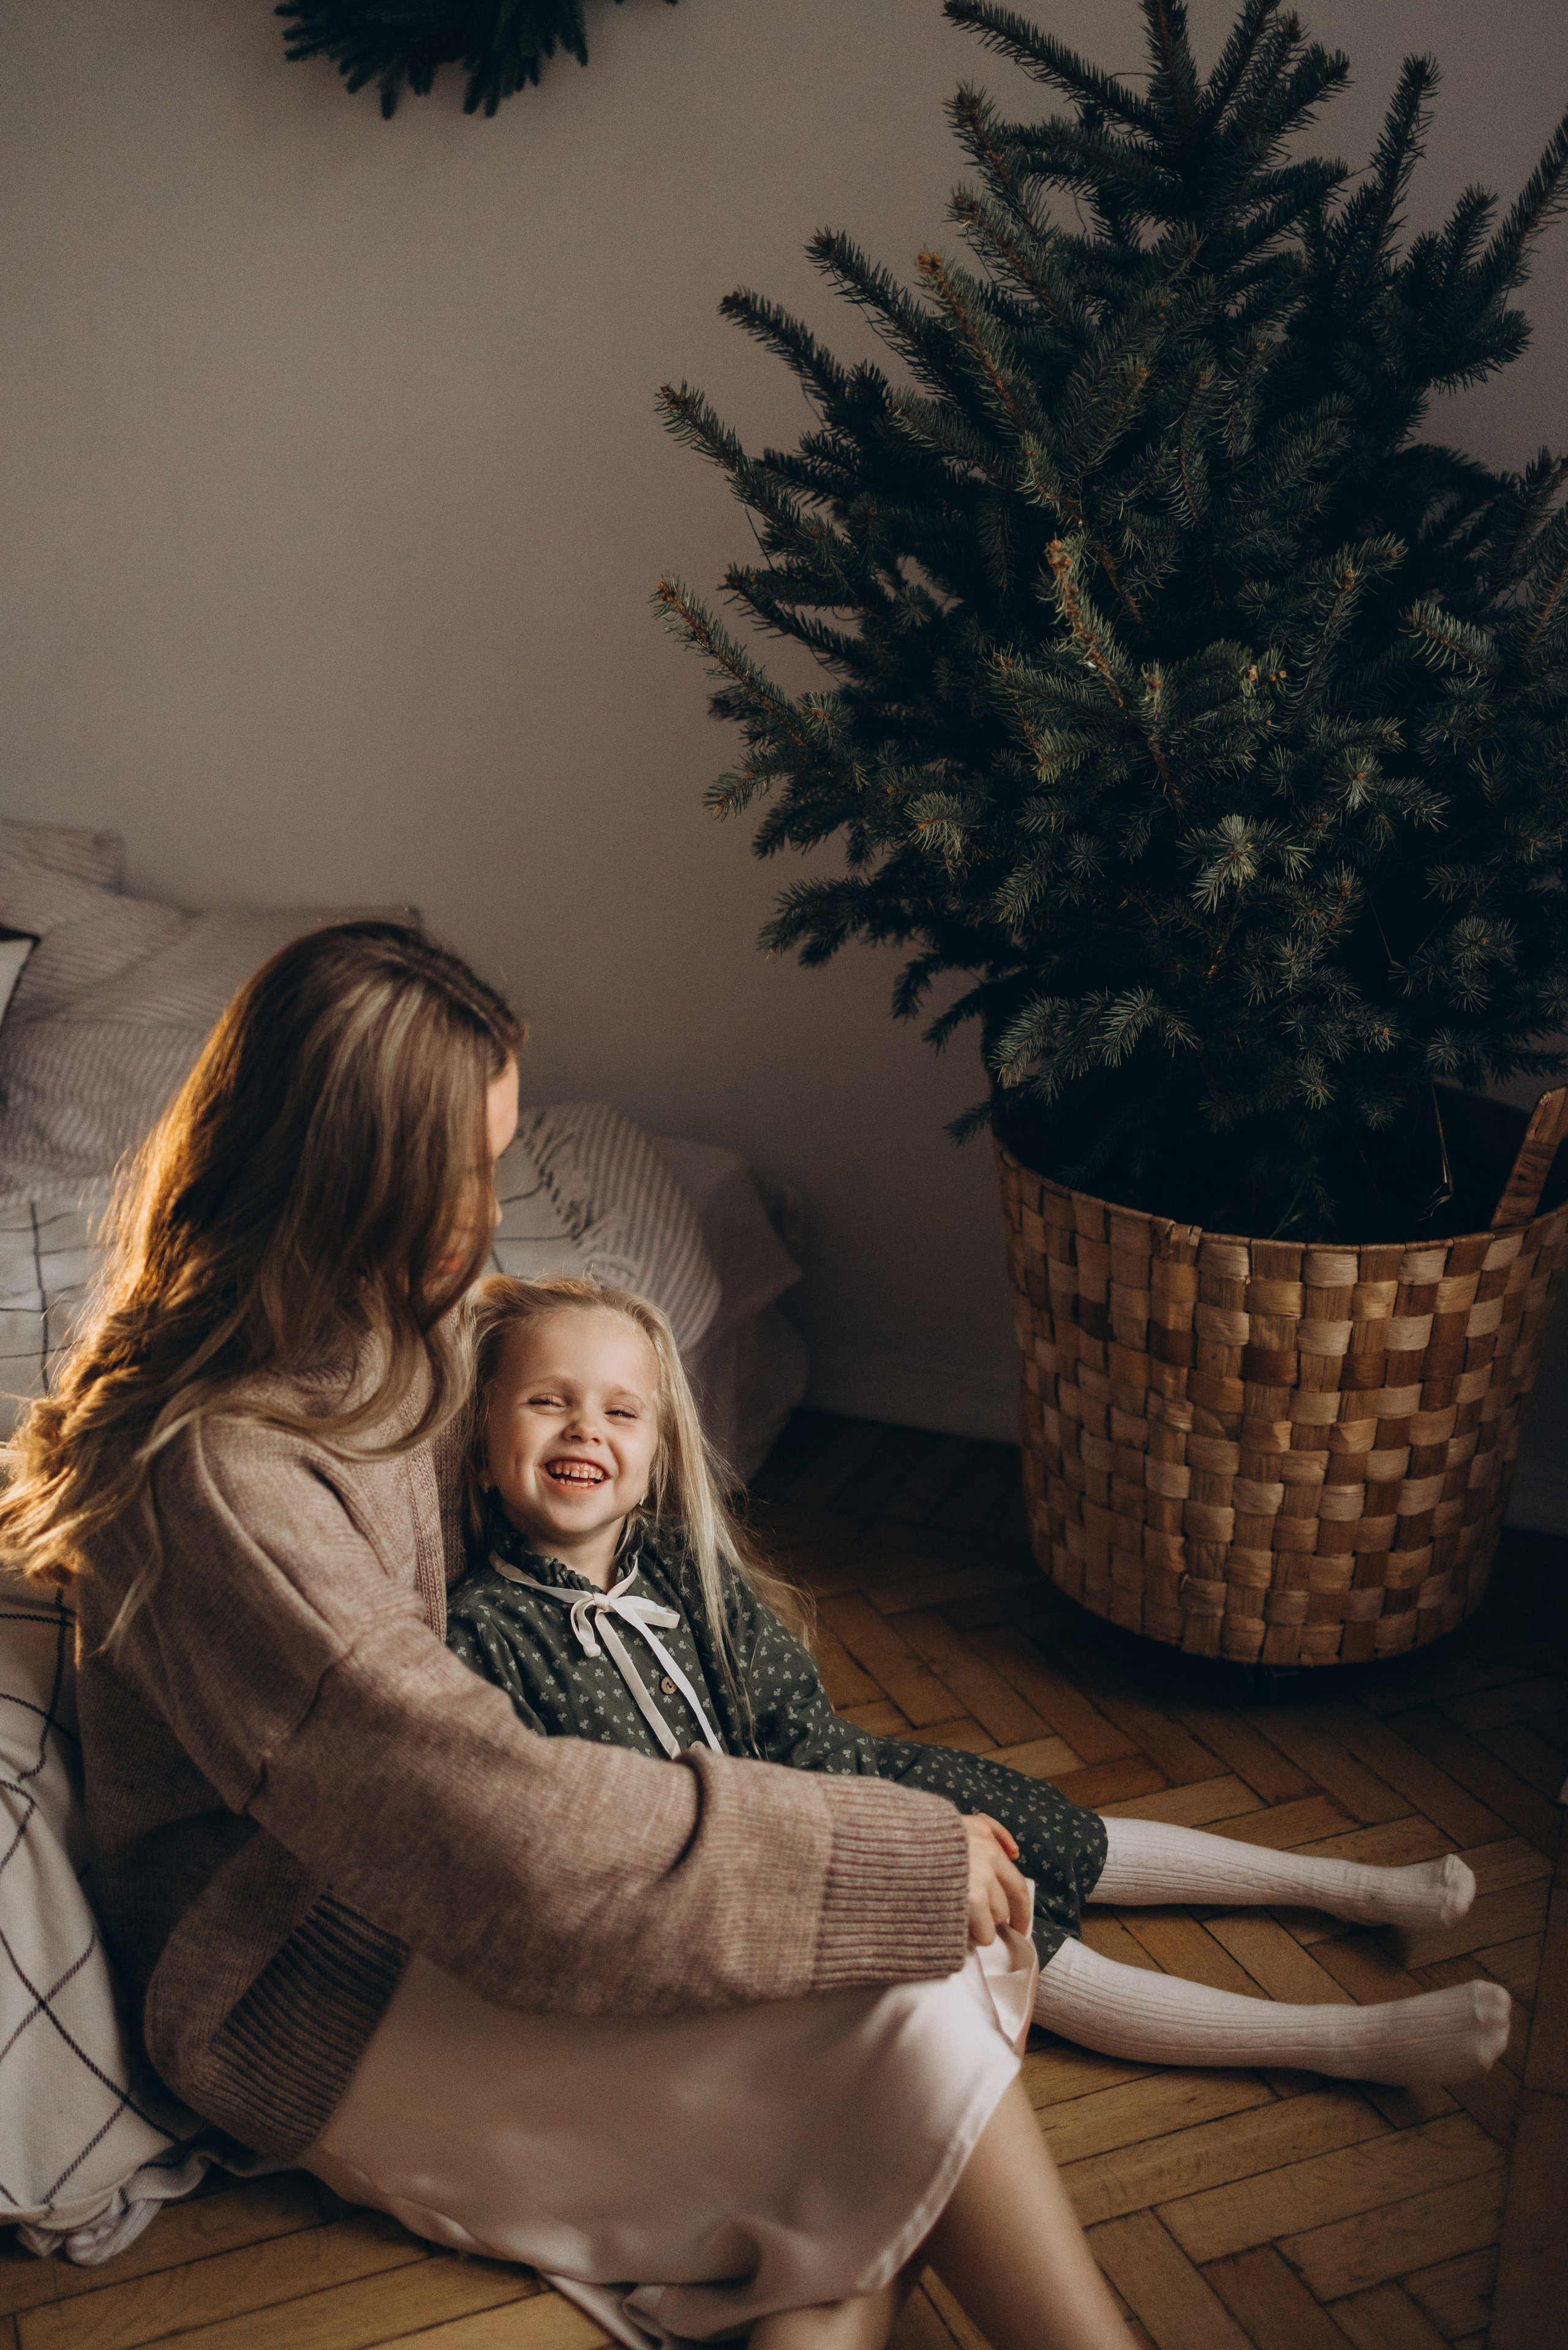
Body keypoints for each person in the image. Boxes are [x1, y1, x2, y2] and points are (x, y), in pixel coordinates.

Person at [0, 922, 1136, 2350]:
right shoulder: (226, 1476)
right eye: (462, 1174)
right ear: (352, 1179)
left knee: (876, 2100)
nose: (486, 1215)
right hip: (304, 1990)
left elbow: (564, 1414)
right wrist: (875, 1849)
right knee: (903, 2006)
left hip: (428, 1900)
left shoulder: (397, 1323)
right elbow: (492, 1828)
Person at [448, 1275, 1515, 2111]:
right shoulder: (485, 1631)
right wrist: (891, 1855)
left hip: (833, 1785)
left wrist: (900, 1816)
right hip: (730, 1887)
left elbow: (796, 1725)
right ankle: (1342, 2042)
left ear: (653, 1459)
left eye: (620, 1412)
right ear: (487, 1448)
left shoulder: (685, 1568)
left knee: (1037, 1824)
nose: (585, 1429)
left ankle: (1346, 1889)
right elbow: (574, 1829)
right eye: (549, 1402)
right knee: (1005, 1935)